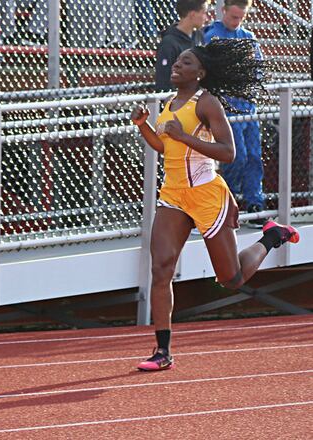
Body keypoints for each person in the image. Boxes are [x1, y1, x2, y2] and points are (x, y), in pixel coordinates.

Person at [130, 38, 300, 371]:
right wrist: (143, 126)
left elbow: (228, 152)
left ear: (201, 72)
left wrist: (184, 136)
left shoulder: (207, 103)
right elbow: (166, 149)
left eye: (186, 62)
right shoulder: (168, 103)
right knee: (160, 269)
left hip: (207, 194)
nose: (177, 65)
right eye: (177, 61)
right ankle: (163, 352)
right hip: (174, 195)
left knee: (231, 278)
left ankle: (272, 236)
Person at [204, 0, 264, 227]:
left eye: (241, 17)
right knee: (235, 156)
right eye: (233, 17)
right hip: (226, 107)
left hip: (247, 105)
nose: (236, 22)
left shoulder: (249, 36)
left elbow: (257, 70)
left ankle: (254, 201)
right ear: (224, 11)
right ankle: (227, 199)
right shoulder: (212, 35)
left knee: (253, 156)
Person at [155, 0, 209, 92]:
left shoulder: (199, 36)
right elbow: (164, 82)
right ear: (192, 14)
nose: (206, 18)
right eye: (204, 13)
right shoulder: (169, 43)